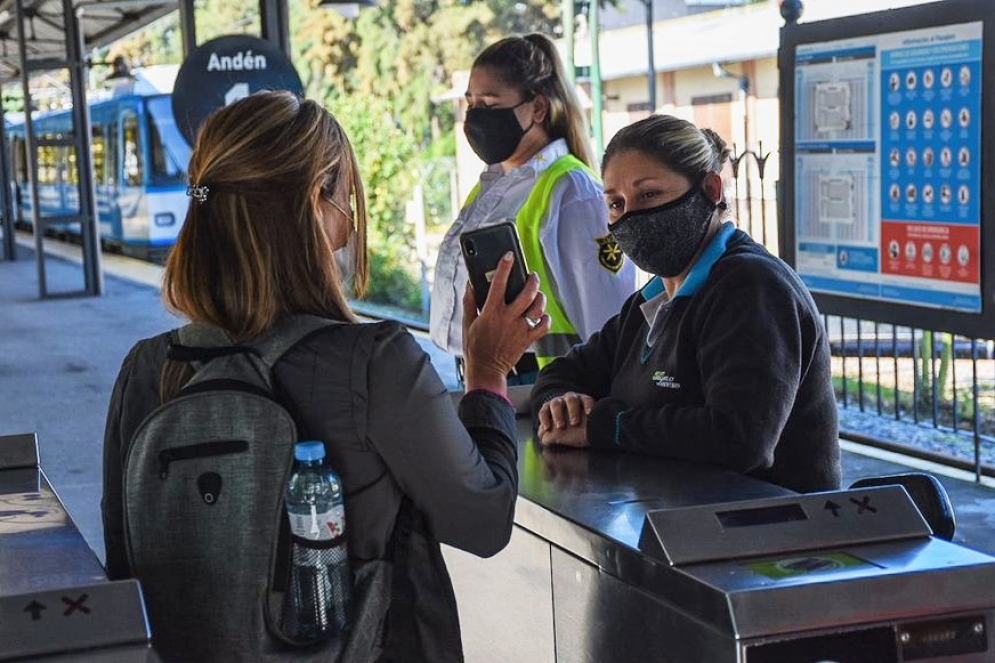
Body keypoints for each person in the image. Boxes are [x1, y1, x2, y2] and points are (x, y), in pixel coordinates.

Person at [101, 90, 550, 661]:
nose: (348, 219)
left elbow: (124, 561)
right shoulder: (375, 360)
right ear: (316, 199)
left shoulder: (146, 368)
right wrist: (488, 374)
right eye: (345, 197)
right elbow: (483, 521)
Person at [532, 114, 840, 494]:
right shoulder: (651, 303)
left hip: (772, 536)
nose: (630, 215)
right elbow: (561, 374)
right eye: (615, 204)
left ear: (710, 189)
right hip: (680, 526)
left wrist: (605, 426)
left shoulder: (752, 288)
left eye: (649, 195)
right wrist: (561, 404)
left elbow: (740, 439)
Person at [431, 33, 636, 380]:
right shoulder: (490, 189)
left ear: (538, 108)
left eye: (490, 104)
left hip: (541, 394)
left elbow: (609, 328)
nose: (476, 117)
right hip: (481, 381)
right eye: (471, 104)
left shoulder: (573, 192)